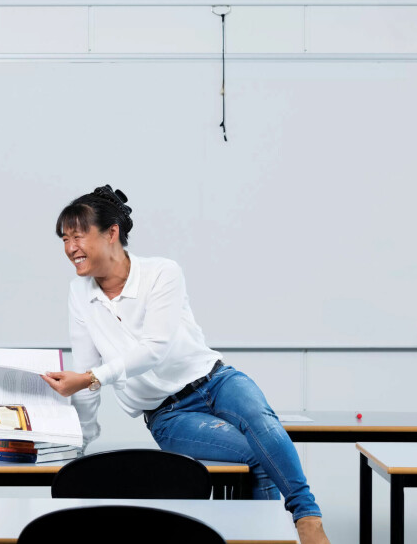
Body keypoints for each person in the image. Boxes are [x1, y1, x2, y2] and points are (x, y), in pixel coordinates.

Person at [40, 185, 330, 544]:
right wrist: (79, 446)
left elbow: (154, 348)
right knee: (257, 453)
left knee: (262, 423)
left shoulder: (162, 272)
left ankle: (308, 519)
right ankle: (270, 539)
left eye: (78, 236)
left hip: (217, 381)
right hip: (169, 415)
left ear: (112, 232)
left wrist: (89, 378)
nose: (70, 249)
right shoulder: (79, 293)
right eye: (65, 239)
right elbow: (84, 370)